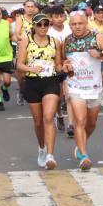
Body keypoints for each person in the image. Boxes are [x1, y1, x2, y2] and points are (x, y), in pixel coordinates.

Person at [64, 11, 103, 170]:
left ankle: (80, 144)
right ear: (70, 25)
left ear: (86, 23)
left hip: (94, 87)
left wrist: (99, 55)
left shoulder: (97, 37)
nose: (77, 26)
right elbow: (61, 61)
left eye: (80, 23)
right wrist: (65, 65)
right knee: (80, 120)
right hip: (76, 86)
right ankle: (84, 156)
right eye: (74, 24)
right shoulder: (67, 41)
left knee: (91, 123)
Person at [16, 13, 64, 169]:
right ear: (34, 26)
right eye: (39, 24)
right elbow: (19, 65)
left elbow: (57, 65)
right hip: (32, 82)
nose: (43, 27)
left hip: (50, 82)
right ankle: (42, 148)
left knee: (48, 117)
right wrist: (31, 68)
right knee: (38, 122)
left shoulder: (55, 41)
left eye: (45, 24)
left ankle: (50, 155)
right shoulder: (26, 40)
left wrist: (64, 68)